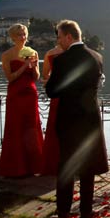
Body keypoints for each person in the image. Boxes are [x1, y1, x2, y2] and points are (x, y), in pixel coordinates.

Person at [45, 19, 109, 218]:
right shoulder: (97, 57)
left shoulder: (62, 60)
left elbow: (51, 91)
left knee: (66, 165)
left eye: (59, 37)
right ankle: (86, 211)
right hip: (90, 119)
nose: (58, 42)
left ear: (69, 37)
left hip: (69, 120)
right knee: (88, 167)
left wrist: (51, 82)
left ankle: (63, 210)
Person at [0, 24, 44, 177]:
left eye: (24, 34)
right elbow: (10, 78)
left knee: (31, 128)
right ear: (12, 37)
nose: (23, 37)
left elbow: (36, 77)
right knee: (15, 127)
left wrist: (35, 67)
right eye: (19, 35)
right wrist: (25, 65)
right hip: (15, 94)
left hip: (30, 94)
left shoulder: (33, 52)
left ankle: (33, 166)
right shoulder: (7, 55)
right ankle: (15, 167)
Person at [41, 42, 64, 175]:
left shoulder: (71, 53)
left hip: (70, 94)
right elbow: (45, 75)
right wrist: (52, 82)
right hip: (57, 95)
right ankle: (52, 163)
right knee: (54, 126)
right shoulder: (50, 54)